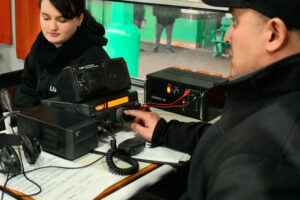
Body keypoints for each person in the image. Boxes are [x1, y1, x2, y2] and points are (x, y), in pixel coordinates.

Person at [126, 0, 300, 199]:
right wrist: (164, 131)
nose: (227, 37)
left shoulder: (259, 163)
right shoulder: (272, 105)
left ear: (274, 34)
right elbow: (230, 137)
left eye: (235, 21)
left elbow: (245, 147)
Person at [14, 0, 110, 110]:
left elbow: (89, 111)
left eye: (62, 20)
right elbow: (26, 88)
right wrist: (29, 118)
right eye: (46, 18)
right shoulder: (41, 45)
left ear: (79, 19)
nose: (52, 27)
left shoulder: (93, 58)